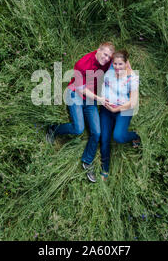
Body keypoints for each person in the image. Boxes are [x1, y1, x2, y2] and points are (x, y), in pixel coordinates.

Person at [46, 42, 115, 182]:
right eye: (105, 54)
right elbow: (80, 89)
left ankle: (87, 161)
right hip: (76, 94)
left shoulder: (107, 62)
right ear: (99, 49)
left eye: (109, 57)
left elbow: (122, 61)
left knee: (97, 132)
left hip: (90, 100)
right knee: (78, 129)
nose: (107, 59)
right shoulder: (82, 63)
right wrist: (99, 99)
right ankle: (53, 129)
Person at [99, 50, 141, 181]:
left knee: (118, 136)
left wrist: (117, 109)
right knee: (104, 138)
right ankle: (105, 168)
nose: (117, 67)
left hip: (124, 109)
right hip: (107, 109)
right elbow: (102, 92)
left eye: (120, 64)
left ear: (126, 64)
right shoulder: (109, 73)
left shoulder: (132, 78)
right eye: (115, 64)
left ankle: (135, 136)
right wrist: (106, 104)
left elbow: (133, 103)